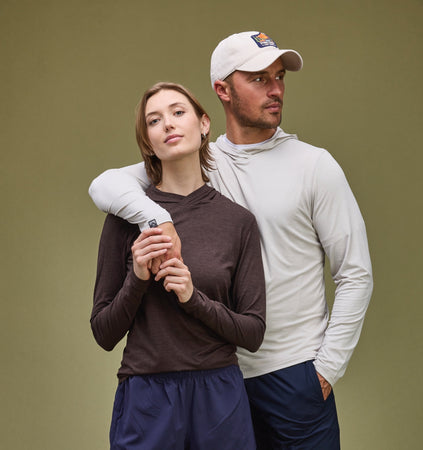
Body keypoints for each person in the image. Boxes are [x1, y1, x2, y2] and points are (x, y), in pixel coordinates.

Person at [89, 31, 374, 449]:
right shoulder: (197, 157)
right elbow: (104, 185)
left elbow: (355, 273)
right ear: (222, 90)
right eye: (259, 79)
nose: (275, 89)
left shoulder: (314, 166)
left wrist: (325, 371)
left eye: (279, 77)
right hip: (222, 379)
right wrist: (159, 220)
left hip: (293, 374)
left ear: (200, 121)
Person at [90, 82, 266, 450]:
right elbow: (104, 333)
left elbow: (252, 333)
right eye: (154, 120)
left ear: (204, 124)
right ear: (148, 143)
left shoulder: (238, 222)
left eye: (178, 112)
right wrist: (137, 277)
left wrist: (192, 297)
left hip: (219, 398)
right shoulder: (125, 218)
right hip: (147, 399)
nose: (167, 124)